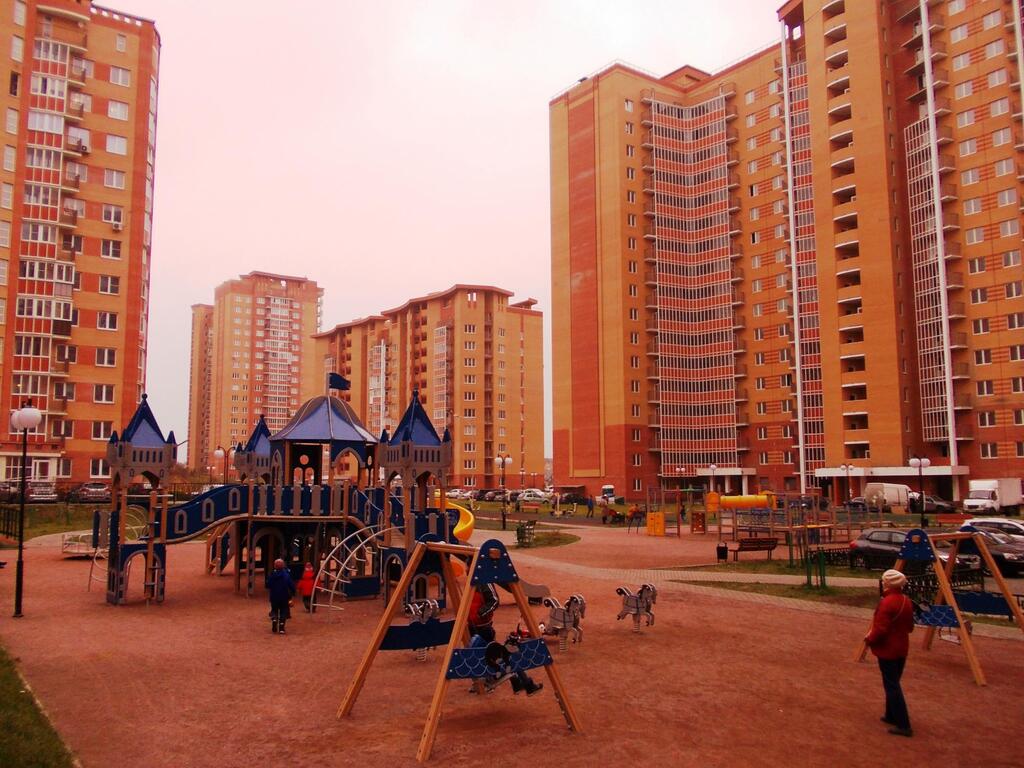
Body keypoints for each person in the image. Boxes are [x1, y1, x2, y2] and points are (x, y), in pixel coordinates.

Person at [864, 569, 915, 737]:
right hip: (902, 647)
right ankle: (890, 714)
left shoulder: (887, 603)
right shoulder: (906, 601)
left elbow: (880, 628)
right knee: (893, 681)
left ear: (888, 583)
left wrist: (869, 639)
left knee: (892, 684)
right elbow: (910, 626)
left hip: (888, 648)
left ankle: (903, 724)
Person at [467, 583, 543, 696]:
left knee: (500, 655)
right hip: (474, 626)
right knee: (500, 655)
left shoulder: (483, 582)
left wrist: (479, 614)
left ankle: (524, 684)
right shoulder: (473, 583)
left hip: (483, 628)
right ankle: (522, 683)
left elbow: (494, 600)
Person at [267, 558, 296, 634]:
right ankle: (281, 627)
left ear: (275, 566)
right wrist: (293, 592)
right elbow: (291, 585)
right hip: (284, 596)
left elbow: (268, 584)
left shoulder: (272, 575)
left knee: (274, 609)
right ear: (283, 566)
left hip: (274, 596)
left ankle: (274, 619)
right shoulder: (286, 575)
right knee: (284, 611)